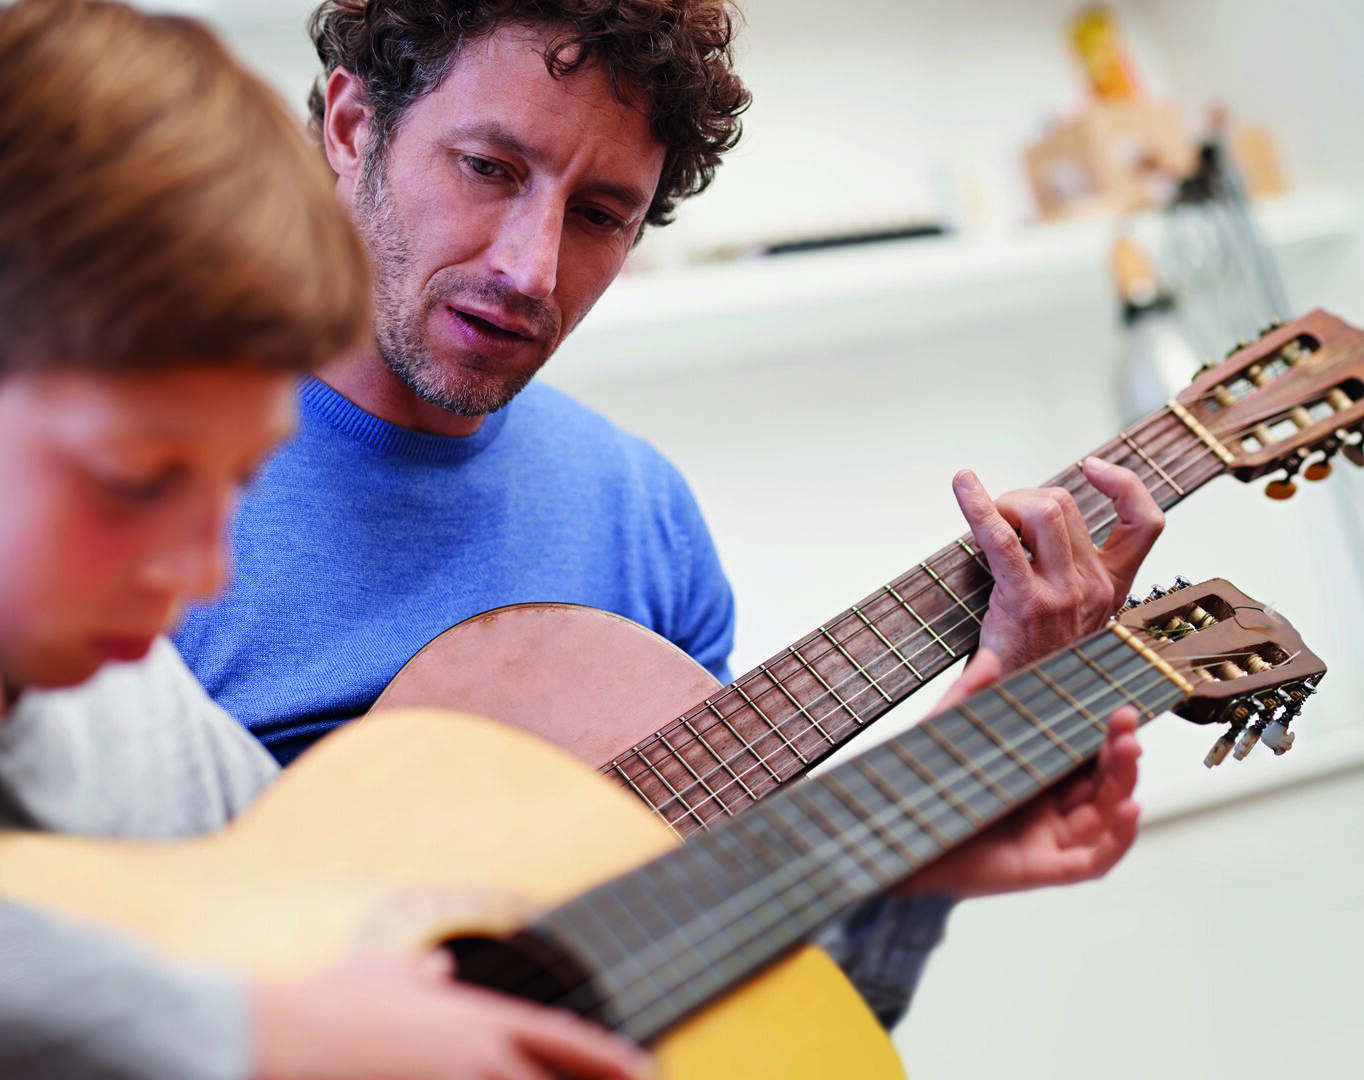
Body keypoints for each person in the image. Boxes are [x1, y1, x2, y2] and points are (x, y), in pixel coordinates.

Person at [170, 0, 1164, 1028]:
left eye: (600, 214)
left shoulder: (640, 515)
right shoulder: (115, 477)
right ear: (351, 127)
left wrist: (923, 855)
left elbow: (745, 1014)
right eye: (489, 168)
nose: (530, 270)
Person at [0, 2, 654, 1077]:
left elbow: (337, 936)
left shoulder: (141, 714)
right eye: (136, 479)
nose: (202, 570)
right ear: (353, 127)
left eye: (237, 481)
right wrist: (250, 1032)